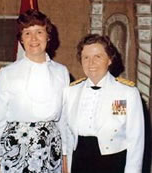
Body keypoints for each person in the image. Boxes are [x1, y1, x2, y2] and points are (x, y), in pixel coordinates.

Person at [0, 9, 70, 173]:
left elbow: (65, 120)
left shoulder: (61, 72)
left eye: (39, 32)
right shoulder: (7, 73)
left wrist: (66, 156)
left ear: (48, 36)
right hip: (15, 149)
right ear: (21, 40)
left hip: (51, 149)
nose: (34, 39)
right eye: (27, 33)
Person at [62, 34, 144, 173]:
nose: (91, 63)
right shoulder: (71, 91)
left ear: (110, 60)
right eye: (86, 57)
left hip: (112, 162)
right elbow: (67, 134)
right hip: (79, 160)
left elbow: (136, 140)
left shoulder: (127, 92)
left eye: (97, 57)